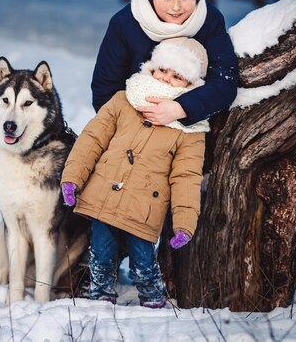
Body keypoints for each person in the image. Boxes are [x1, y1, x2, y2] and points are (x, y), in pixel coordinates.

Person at [61, 37, 209, 308]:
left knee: (143, 259)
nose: (166, 78)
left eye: (177, 76)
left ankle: (152, 296)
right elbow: (92, 140)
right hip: (102, 196)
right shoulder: (123, 100)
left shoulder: (191, 129)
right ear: (151, 68)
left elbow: (186, 177)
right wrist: (72, 179)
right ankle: (100, 294)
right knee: (102, 253)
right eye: (163, 69)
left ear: (190, 86)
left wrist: (184, 223)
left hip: (144, 208)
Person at [91, 0, 238, 126]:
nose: (176, 7)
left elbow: (225, 82)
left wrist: (181, 108)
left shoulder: (210, 21)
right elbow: (105, 89)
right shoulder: (124, 24)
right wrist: (138, 126)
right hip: (131, 128)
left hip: (190, 128)